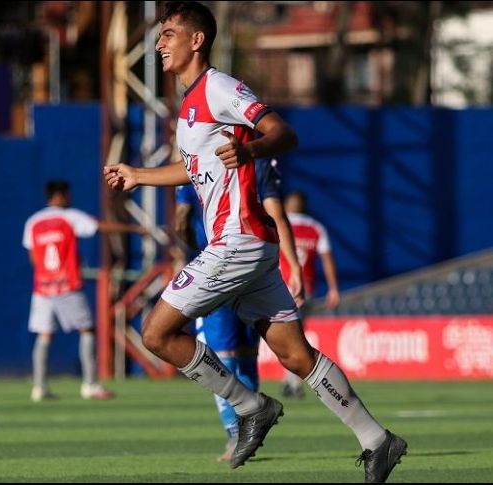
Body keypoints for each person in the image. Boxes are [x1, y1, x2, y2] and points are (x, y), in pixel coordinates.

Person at [103, 2, 407, 482]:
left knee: (156, 333)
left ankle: (250, 406)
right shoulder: (188, 107)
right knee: (294, 354)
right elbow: (195, 167)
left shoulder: (219, 88)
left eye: (167, 35)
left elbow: (282, 132)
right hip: (249, 247)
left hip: (237, 239)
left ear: (195, 41)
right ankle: (378, 440)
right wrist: (139, 175)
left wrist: (252, 148)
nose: (159, 44)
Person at [175, 157, 304, 462]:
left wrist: (195, 252)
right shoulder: (257, 161)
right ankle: (249, 429)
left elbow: (181, 219)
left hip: (216, 268)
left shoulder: (192, 162)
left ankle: (236, 433)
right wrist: (294, 265)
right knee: (246, 353)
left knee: (222, 356)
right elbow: (276, 215)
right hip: (256, 267)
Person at [23, 180, 141, 402]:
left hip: (42, 287)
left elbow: (33, 257)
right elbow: (99, 227)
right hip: (67, 284)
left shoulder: (33, 221)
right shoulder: (69, 217)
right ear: (59, 195)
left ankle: (39, 387)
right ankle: (90, 384)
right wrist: (134, 229)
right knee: (87, 330)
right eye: (67, 195)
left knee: (44, 334)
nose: (70, 198)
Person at [279, 190, 342, 398]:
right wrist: (333, 288)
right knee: (296, 335)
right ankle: (292, 382)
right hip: (305, 289)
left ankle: (293, 382)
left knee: (288, 337)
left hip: (281, 287)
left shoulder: (279, 223)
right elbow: (327, 259)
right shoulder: (315, 228)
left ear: (287, 205)